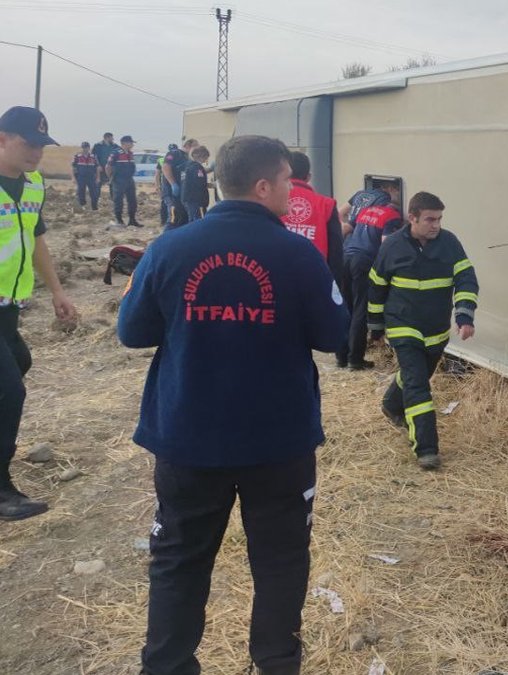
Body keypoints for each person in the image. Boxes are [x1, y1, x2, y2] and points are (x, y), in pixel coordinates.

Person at [118, 135, 348, 675]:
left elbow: (132, 331)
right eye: (289, 181)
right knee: (281, 562)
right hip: (278, 443)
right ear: (263, 185)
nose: (294, 193)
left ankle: (167, 666)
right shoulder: (298, 255)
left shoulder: (169, 248)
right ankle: (275, 664)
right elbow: (334, 334)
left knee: (178, 560)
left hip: (187, 436)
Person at [0, 106, 78, 521]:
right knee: (9, 392)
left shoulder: (32, 185)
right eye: (28, 143)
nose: (36, 152)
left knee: (20, 364)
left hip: (10, 309)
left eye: (40, 144)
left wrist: (58, 292)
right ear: (2, 139)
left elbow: (37, 240)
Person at [368, 191, 478, 471]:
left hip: (436, 330)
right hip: (403, 325)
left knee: (415, 375)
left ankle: (392, 404)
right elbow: (377, 287)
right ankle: (426, 448)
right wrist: (376, 326)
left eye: (439, 219)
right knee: (418, 385)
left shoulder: (450, 243)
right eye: (430, 219)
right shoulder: (392, 246)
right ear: (412, 217)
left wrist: (464, 314)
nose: (436, 225)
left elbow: (466, 278)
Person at [337, 179, 403, 370]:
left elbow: (348, 229)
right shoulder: (392, 215)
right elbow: (385, 245)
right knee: (360, 310)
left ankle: (341, 357)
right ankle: (355, 360)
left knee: (346, 307)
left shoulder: (364, 211)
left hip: (346, 257)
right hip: (363, 261)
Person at [282, 151, 343, 275]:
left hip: (276, 276)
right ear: (308, 177)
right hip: (315, 277)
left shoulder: (270, 201)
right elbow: (336, 254)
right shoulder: (327, 204)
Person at [106, 135, 140, 227]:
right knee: (118, 201)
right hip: (118, 180)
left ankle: (132, 220)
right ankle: (119, 220)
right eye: (131, 142)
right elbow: (108, 167)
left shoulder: (130, 153)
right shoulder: (116, 153)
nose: (132, 144)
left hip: (129, 179)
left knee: (132, 200)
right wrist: (111, 178)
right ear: (124, 143)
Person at [161, 139, 197, 227]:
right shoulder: (175, 153)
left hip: (182, 192)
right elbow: (165, 167)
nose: (196, 150)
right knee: (174, 215)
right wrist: (173, 184)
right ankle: (167, 236)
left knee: (183, 216)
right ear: (188, 146)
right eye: (195, 147)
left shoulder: (187, 157)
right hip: (171, 190)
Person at [178, 145, 210, 225]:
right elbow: (200, 184)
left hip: (187, 199)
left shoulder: (187, 166)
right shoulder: (197, 168)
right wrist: (210, 185)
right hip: (197, 200)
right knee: (200, 222)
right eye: (206, 157)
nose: (206, 160)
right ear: (201, 156)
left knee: (192, 221)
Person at [71, 141, 100, 210]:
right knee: (81, 192)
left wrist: (98, 177)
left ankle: (94, 207)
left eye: (86, 147)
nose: (85, 149)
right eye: (83, 147)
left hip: (91, 177)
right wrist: (73, 178)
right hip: (81, 177)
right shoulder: (77, 156)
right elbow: (73, 168)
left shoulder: (93, 157)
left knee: (94, 193)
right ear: (82, 148)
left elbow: (97, 168)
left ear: (89, 148)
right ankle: (82, 206)